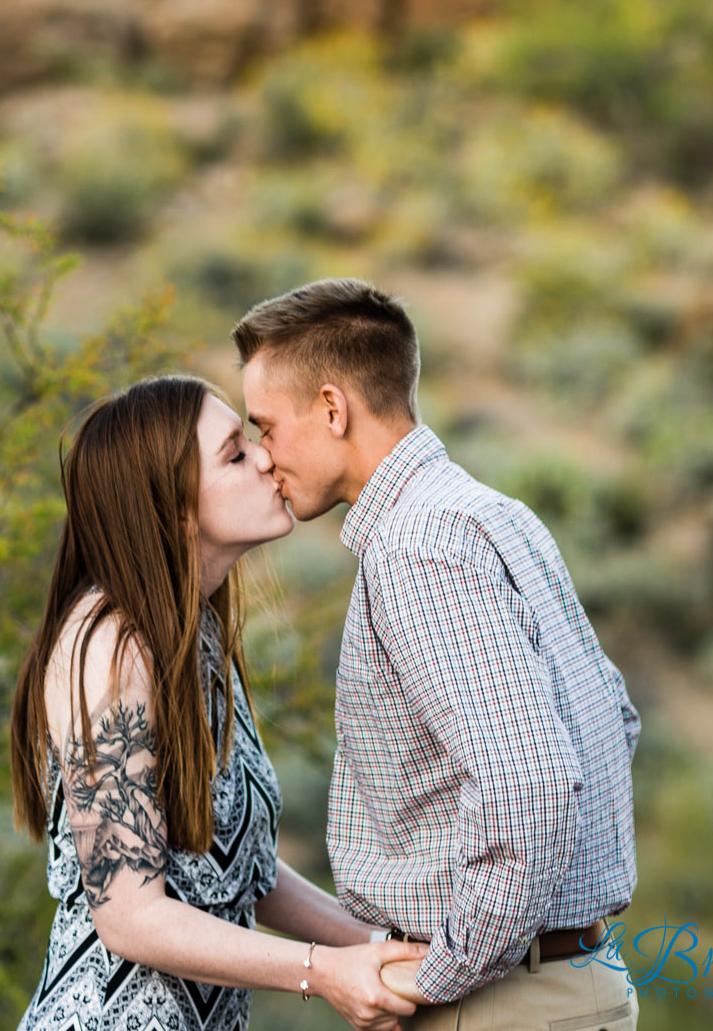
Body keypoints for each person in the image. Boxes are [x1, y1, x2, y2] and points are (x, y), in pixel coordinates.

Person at [237, 278, 641, 1031]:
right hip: (559, 983)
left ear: (332, 408)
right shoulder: (490, 513)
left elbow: (531, 781)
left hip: (500, 1004)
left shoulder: (417, 546)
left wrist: (442, 972)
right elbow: (612, 720)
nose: (263, 457)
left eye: (264, 426)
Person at [10, 373, 429, 1030]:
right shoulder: (109, 649)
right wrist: (320, 972)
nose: (265, 456)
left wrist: (381, 950)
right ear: (169, 506)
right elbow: (130, 916)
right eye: (234, 453)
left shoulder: (193, 636)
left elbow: (245, 875)